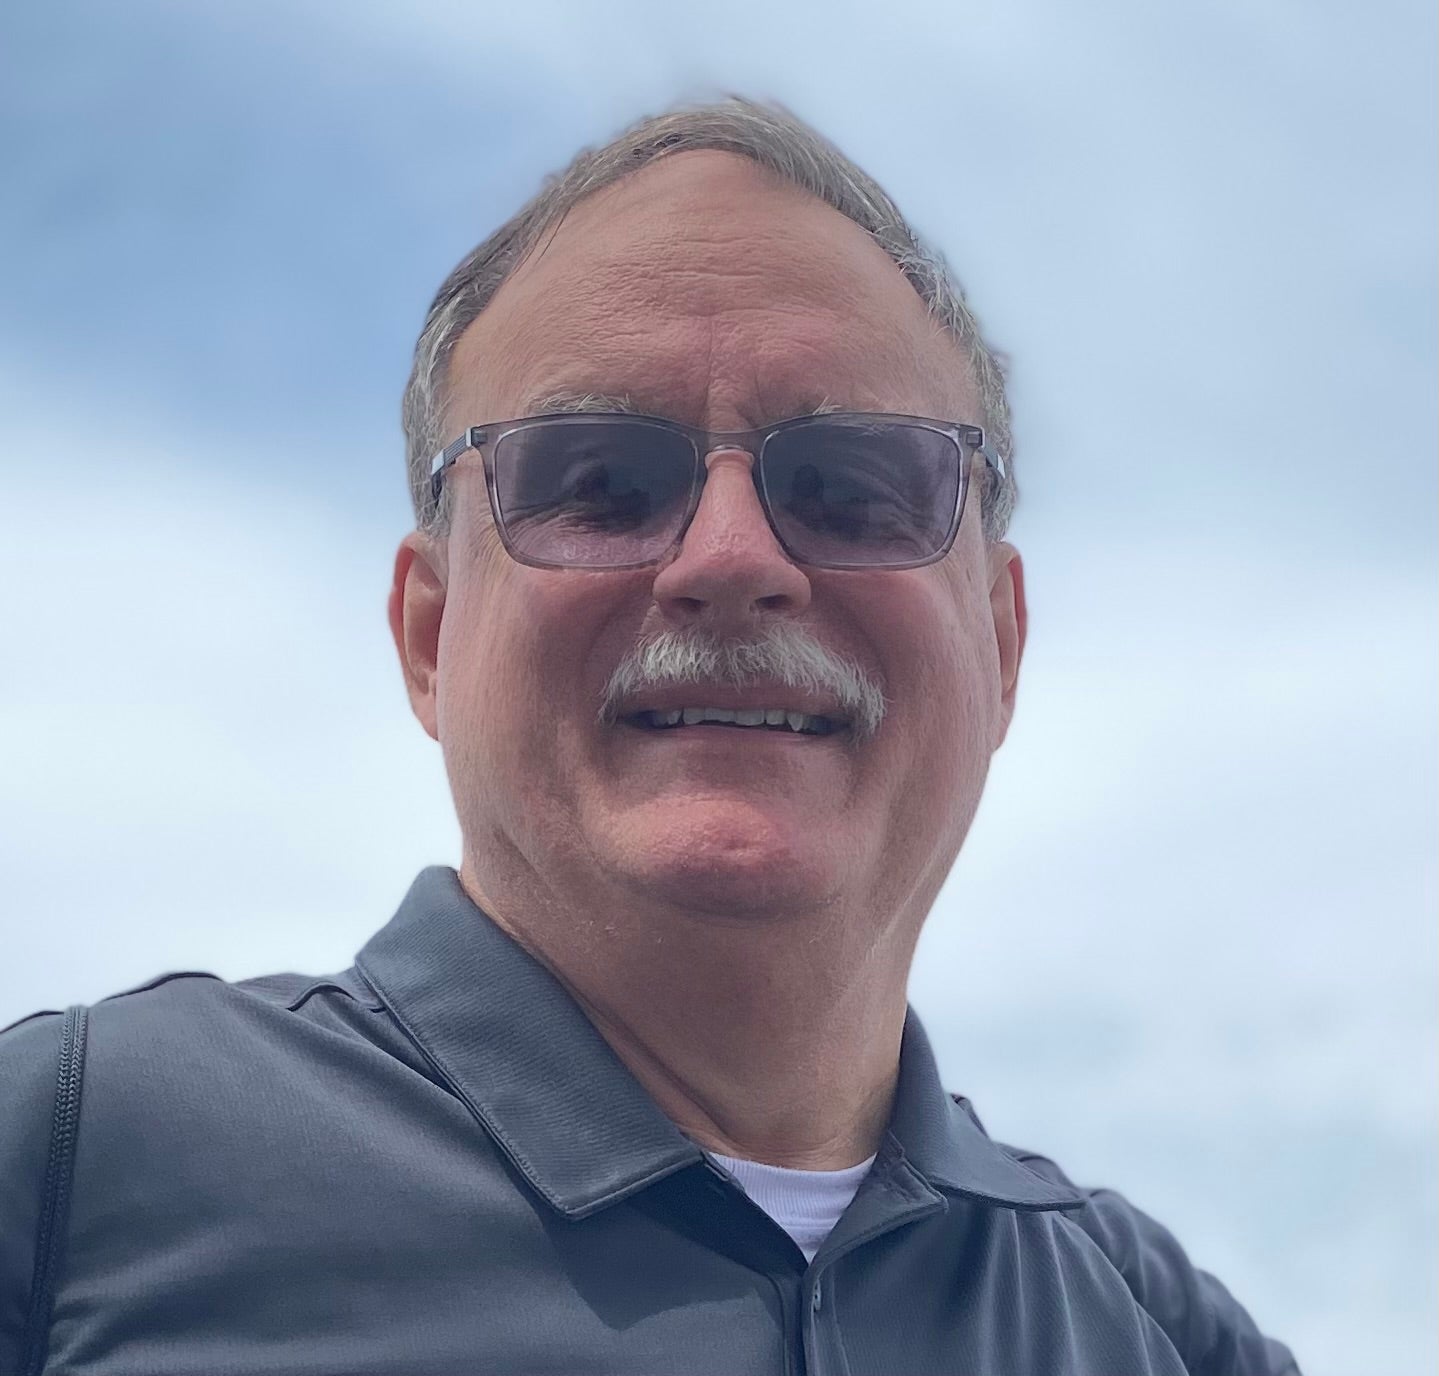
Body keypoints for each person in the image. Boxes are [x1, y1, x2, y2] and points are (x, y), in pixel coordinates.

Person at [0, 99, 1301, 1375]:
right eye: (601, 483)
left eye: (854, 487)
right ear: (429, 635)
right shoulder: (71, 1166)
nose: (731, 559)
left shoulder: (1148, 1329)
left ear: (1001, 644)